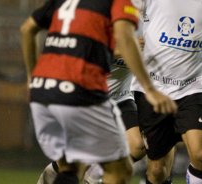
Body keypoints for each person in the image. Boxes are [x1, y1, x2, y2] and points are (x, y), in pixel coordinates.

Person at [20, 0, 177, 184]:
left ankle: (80, 175)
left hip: (109, 95)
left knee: (134, 146)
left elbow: (27, 29)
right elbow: (114, 43)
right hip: (86, 93)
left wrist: (33, 77)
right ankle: (65, 174)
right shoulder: (117, 8)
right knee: (104, 167)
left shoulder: (155, 20)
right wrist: (126, 53)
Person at [131, 0, 202, 183]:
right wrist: (130, 37)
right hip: (154, 87)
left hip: (195, 85)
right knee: (158, 171)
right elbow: (122, 13)